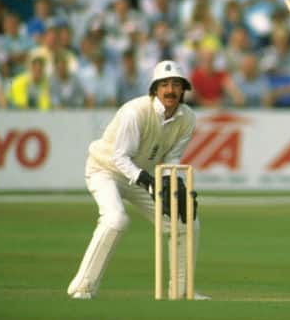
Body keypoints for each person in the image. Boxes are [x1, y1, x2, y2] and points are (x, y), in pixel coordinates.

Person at [67, 60, 209, 300]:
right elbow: (120, 157)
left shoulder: (187, 118)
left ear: (183, 90)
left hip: (143, 177)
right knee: (116, 219)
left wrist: (175, 186)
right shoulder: (136, 112)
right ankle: (82, 288)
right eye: (164, 84)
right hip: (106, 169)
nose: (170, 90)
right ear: (155, 89)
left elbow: (172, 158)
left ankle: (182, 290)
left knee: (185, 223)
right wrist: (148, 181)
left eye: (176, 84)